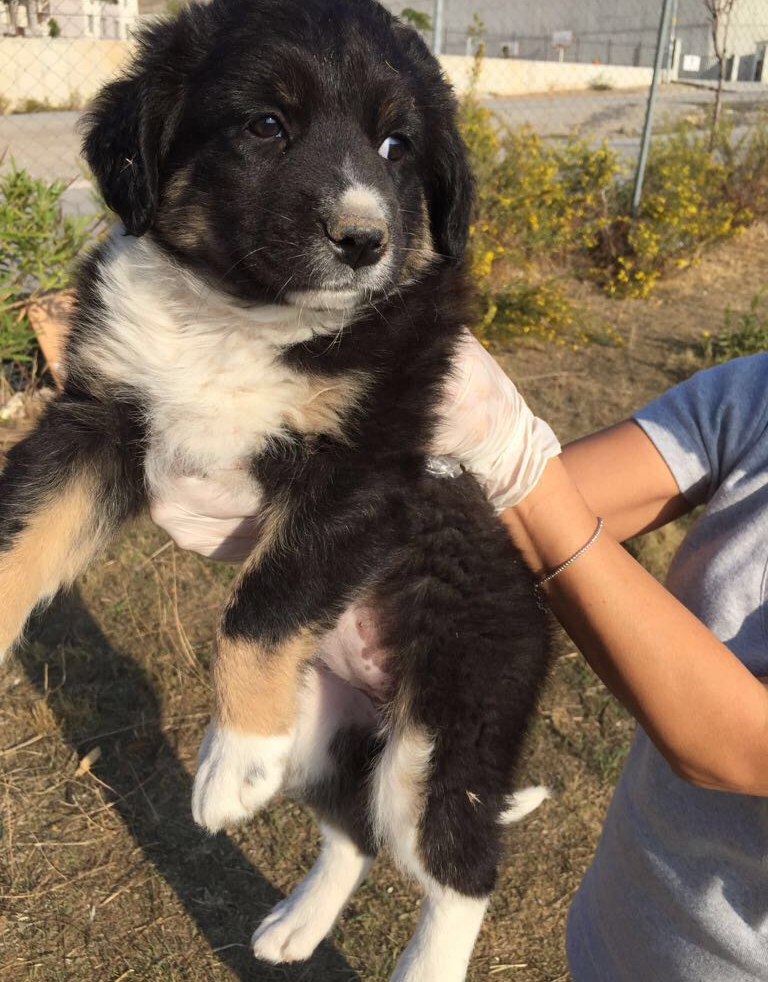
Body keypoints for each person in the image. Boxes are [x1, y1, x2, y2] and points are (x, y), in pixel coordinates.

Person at [151, 332, 768, 981]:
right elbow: (518, 515)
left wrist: (517, 461)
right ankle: (343, 855)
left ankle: (454, 911)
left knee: (430, 787)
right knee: (316, 755)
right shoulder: (754, 391)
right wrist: (333, 499)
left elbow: (738, 746)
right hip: (620, 932)